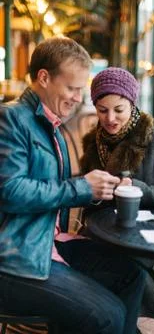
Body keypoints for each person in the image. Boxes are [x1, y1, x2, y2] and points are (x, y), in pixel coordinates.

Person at [0, 38, 146, 334]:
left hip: (45, 243)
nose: (79, 98)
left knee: (132, 274)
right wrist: (82, 188)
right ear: (44, 78)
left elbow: (50, 187)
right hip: (14, 260)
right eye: (72, 88)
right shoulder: (11, 119)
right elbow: (10, 192)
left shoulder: (47, 124)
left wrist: (93, 189)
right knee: (108, 315)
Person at [79, 67, 154, 319]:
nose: (110, 118)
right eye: (102, 110)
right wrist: (93, 193)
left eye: (118, 109)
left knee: (120, 275)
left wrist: (137, 189)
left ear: (132, 105)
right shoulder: (93, 144)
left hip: (152, 245)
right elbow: (87, 203)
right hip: (107, 236)